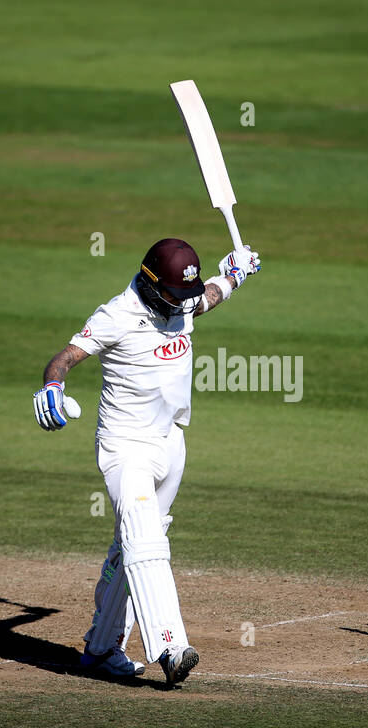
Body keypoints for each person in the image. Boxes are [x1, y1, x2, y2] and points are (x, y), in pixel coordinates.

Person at [33, 238, 260, 686]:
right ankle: (171, 646)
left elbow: (206, 297)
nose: (182, 305)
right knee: (146, 542)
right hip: (126, 447)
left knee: (132, 546)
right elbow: (64, 359)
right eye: (175, 295)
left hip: (170, 442)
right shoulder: (117, 313)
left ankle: (101, 650)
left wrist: (235, 273)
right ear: (153, 285)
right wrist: (52, 389)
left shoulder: (180, 300)